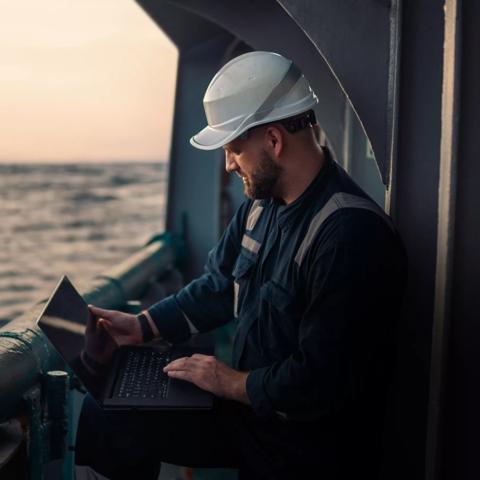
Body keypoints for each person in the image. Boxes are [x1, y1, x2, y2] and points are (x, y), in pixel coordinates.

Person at [75, 51, 407, 480]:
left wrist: (228, 381)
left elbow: (321, 381)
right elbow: (219, 284)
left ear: (273, 140)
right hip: (253, 414)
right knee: (109, 409)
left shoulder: (349, 235)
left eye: (233, 149)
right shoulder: (261, 204)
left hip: (304, 445)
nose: (229, 165)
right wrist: (142, 326)